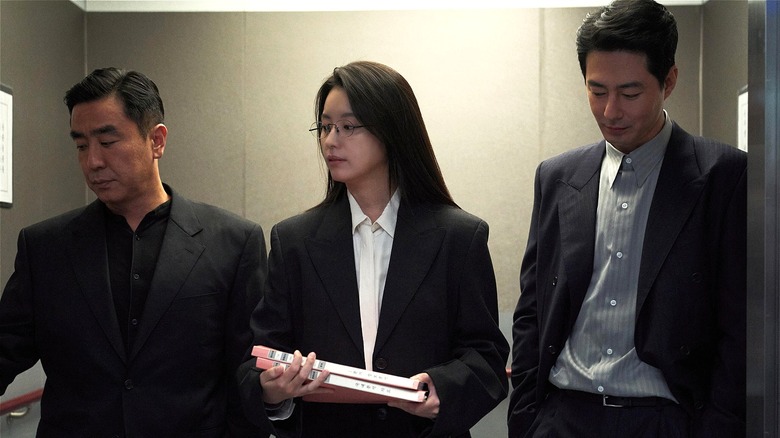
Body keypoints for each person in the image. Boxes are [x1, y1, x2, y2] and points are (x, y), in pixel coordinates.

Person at [507, 1, 746, 437]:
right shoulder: (557, 177)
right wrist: (525, 417)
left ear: (668, 80)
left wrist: (719, 425)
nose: (611, 110)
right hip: (563, 415)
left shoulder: (724, 176)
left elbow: (738, 325)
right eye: (597, 91)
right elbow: (533, 310)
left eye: (630, 93)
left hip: (666, 419)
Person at [237, 60, 509, 437]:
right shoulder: (294, 240)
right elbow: (260, 356)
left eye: (348, 127)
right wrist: (272, 391)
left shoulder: (458, 236)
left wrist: (441, 390)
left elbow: (486, 357)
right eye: (326, 127)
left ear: (392, 131)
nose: (331, 140)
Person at [0, 68, 267, 437]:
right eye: (81, 145)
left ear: (156, 140)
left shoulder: (234, 243)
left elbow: (246, 373)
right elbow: (6, 349)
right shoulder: (45, 247)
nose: (92, 161)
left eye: (107, 142)